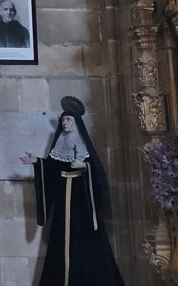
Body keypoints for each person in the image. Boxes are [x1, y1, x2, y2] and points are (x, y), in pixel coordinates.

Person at [20, 96, 125, 286]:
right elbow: (51, 168)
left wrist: (84, 166)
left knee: (84, 242)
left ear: (76, 122)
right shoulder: (59, 144)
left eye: (68, 120)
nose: (65, 123)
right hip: (63, 200)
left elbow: (97, 173)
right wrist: (36, 161)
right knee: (61, 241)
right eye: (63, 120)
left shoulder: (85, 146)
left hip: (81, 201)